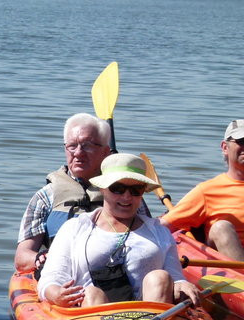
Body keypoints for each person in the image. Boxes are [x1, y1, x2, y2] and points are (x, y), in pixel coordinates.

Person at [38, 153, 199, 307]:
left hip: (149, 317)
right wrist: (55, 294)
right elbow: (51, 279)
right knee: (92, 293)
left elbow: (176, 277)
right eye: (117, 188)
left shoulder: (159, 231)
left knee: (160, 277)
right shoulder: (74, 228)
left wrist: (181, 284)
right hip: (91, 315)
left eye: (136, 190)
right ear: (102, 188)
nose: (127, 197)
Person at [15, 113, 113, 273]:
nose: (78, 153)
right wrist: (41, 258)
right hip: (63, 276)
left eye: (87, 145)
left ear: (105, 152)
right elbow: (22, 257)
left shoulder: (123, 193)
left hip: (112, 276)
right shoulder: (45, 197)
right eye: (72, 146)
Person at [160, 119, 244, 260]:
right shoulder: (207, 191)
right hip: (233, 267)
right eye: (241, 141)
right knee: (221, 228)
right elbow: (165, 225)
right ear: (225, 147)